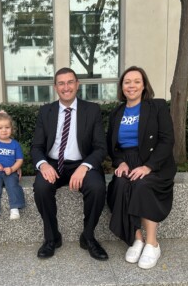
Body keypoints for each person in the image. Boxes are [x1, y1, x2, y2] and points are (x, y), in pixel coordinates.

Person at [31, 67, 108, 261]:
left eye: (70, 82)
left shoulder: (92, 110)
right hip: (53, 164)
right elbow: (36, 146)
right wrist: (43, 164)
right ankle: (52, 238)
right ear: (55, 87)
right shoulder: (45, 111)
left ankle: (88, 237)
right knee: (41, 187)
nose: (66, 87)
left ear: (77, 85)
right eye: (61, 83)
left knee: (97, 187)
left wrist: (85, 167)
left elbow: (100, 147)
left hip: (81, 163)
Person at [106, 66, 177, 269]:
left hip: (153, 162)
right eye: (127, 82)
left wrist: (148, 166)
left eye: (137, 81)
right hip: (128, 161)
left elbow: (166, 139)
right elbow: (112, 145)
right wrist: (120, 162)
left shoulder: (157, 107)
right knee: (119, 185)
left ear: (144, 84)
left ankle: (153, 244)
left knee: (142, 185)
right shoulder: (116, 112)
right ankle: (137, 238)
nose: (132, 86)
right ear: (122, 86)